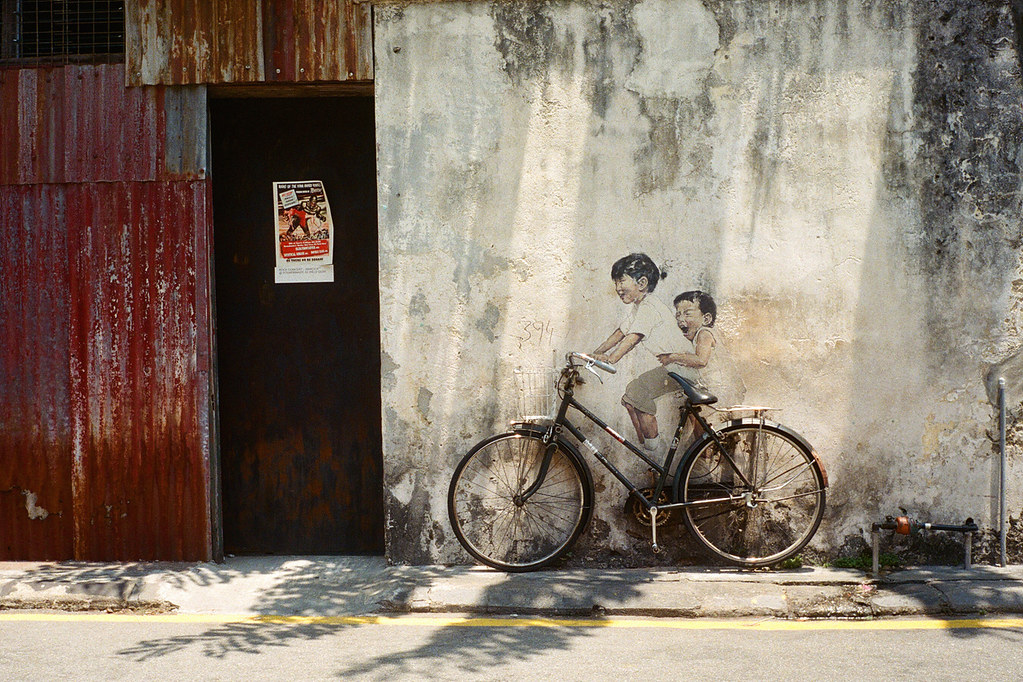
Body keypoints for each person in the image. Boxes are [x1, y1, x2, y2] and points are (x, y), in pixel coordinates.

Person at [591, 253, 699, 452]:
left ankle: (654, 451)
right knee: (632, 394)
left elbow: (632, 338)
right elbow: (619, 334)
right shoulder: (639, 308)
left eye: (621, 281)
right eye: (616, 282)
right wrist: (593, 354)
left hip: (682, 369)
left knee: (637, 392)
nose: (617, 288)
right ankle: (648, 447)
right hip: (673, 369)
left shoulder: (650, 307)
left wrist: (611, 358)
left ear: (641, 283)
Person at [658, 290, 745, 411]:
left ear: (706, 319)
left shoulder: (704, 333)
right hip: (718, 389)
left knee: (697, 415)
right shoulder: (700, 336)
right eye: (678, 315)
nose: (681, 319)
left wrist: (672, 357)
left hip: (720, 390)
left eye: (687, 314)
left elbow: (700, 360)